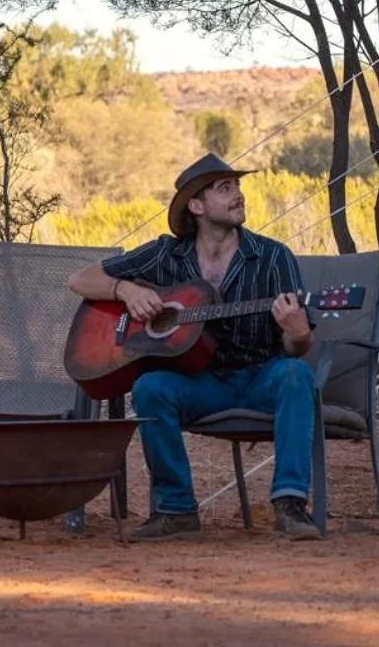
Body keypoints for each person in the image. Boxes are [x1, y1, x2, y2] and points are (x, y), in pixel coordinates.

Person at [66, 152, 323, 541]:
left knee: (296, 374)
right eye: (225, 188)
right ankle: (176, 509)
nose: (238, 195)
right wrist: (127, 290)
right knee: (150, 387)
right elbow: (81, 280)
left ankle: (289, 504)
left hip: (259, 377)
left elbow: (296, 346)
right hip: (200, 382)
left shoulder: (272, 257)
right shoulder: (166, 254)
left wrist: (298, 331)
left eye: (238, 186)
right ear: (197, 205)